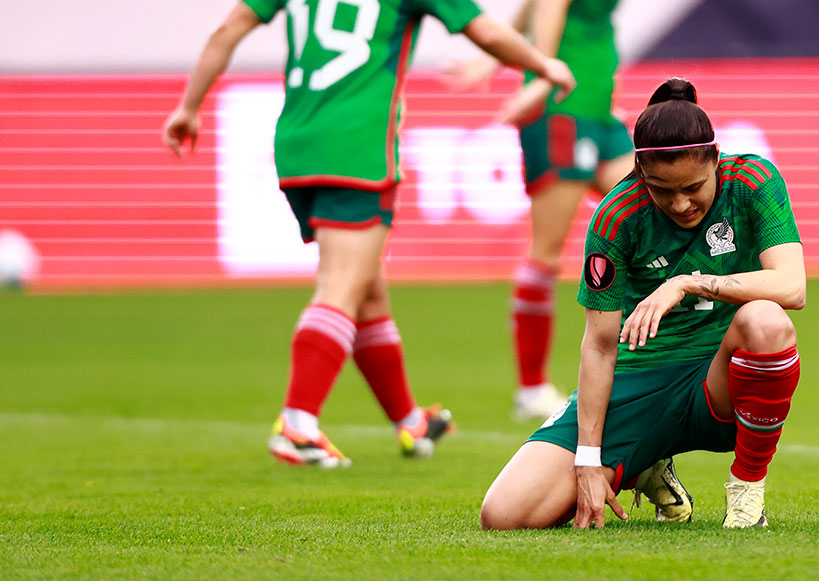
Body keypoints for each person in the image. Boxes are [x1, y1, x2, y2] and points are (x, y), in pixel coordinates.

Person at [162, 0, 575, 467]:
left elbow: (228, 29)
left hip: (297, 144)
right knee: (342, 285)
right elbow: (486, 33)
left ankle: (409, 421)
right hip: (356, 147)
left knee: (366, 290)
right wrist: (545, 65)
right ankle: (297, 424)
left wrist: (189, 106)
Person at [479, 78, 805, 529]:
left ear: (715, 159)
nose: (681, 203)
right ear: (640, 171)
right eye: (661, 189)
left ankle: (746, 489)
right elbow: (599, 345)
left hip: (718, 381)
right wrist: (588, 460)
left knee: (766, 321)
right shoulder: (617, 216)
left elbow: (792, 287)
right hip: (637, 382)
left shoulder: (752, 181)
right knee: (503, 515)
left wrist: (687, 283)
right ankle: (644, 461)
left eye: (693, 186)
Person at [446, 0, 633, 421]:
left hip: (599, 111)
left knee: (652, 218)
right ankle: (531, 389)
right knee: (546, 252)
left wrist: (491, 58)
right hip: (563, 110)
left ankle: (649, 365)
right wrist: (544, 73)